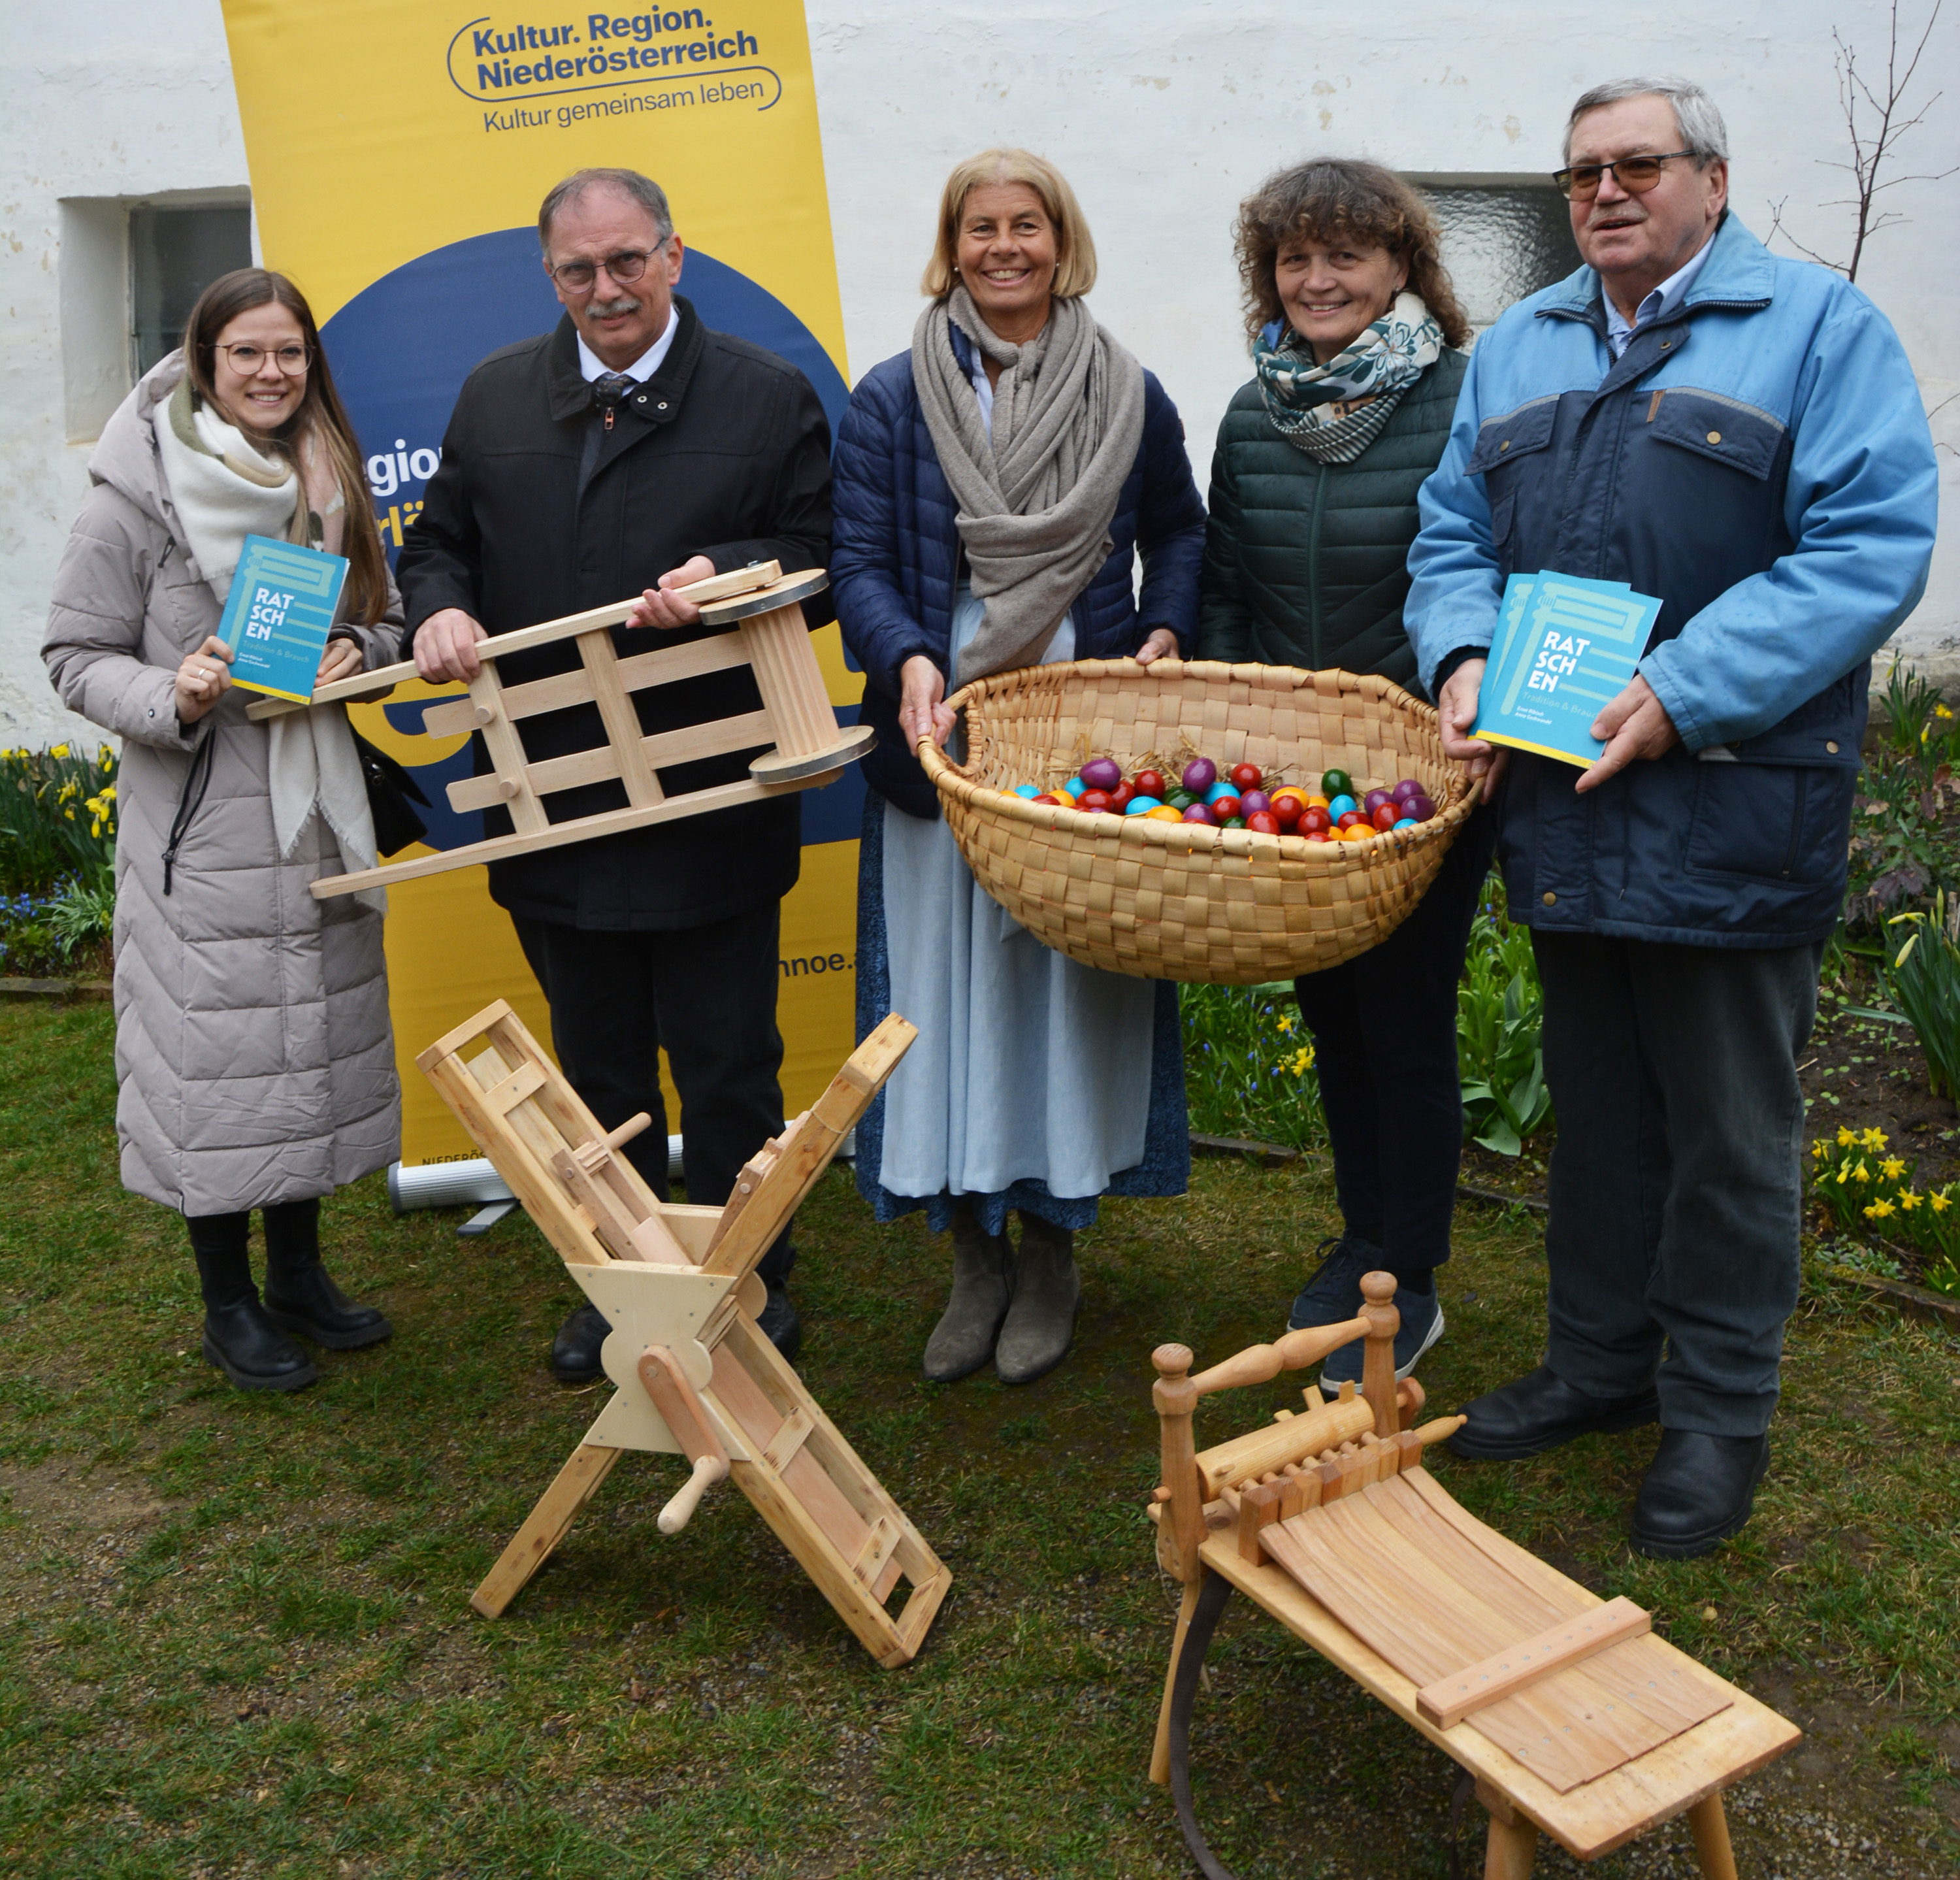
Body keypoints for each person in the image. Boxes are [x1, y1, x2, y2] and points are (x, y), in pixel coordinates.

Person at [1407, 78, 1938, 1556]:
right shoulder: (1522, 343)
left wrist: (1685, 688)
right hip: (1564, 806)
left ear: (1712, 175)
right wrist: (1459, 654)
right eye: (1581, 171)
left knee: (1727, 1124)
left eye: (1637, 164)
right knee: (1601, 1107)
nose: (1604, 191)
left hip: (1729, 797)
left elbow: (1870, 544)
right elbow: (1453, 531)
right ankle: (1599, 1361)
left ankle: (1718, 1407)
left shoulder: (1821, 331)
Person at [398, 167, 832, 1377]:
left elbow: (821, 557)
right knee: (592, 1069)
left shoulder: (764, 394)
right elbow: (439, 546)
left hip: (712, 793)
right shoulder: (493, 399)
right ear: (551, 276)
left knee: (728, 1061)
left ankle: (747, 1278)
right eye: (579, 269)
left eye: (628, 260)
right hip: (552, 796)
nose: (607, 288)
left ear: (675, 256)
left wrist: (730, 573)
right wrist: (438, 612)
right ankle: (624, 1281)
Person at [830, 148, 1205, 1386]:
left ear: (1061, 238)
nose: (1004, 247)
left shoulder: (1125, 389)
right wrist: (901, 664)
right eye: (980, 227)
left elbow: (1179, 530)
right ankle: (969, 1251)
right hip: (946, 732)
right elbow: (861, 565)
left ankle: (1049, 1245)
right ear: (953, 245)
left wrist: (1163, 625)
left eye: (1026, 225)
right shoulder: (891, 396)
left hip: (1083, 730)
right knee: (942, 989)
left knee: (1059, 977)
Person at [43, 269, 404, 1393]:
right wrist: (176, 692)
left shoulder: (328, 471)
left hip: (312, 812)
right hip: (199, 825)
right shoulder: (137, 495)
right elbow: (72, 655)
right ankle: (227, 1302)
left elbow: (381, 617)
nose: (270, 373)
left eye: (288, 352)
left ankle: (298, 1275)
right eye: (246, 352)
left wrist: (366, 656)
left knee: (301, 1045)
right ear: (204, 360)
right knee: (217, 1059)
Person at [1198, 158, 1496, 1395]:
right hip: (1297, 787)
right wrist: (1232, 711)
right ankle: (1362, 1233)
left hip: (1431, 769)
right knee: (1333, 1015)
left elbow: (1490, 560)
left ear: (1402, 266)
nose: (1318, 280)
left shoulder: (1465, 398)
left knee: (1407, 1016)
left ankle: (1406, 1271)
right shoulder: (1249, 411)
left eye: (1348, 256)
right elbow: (1223, 582)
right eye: (1293, 257)